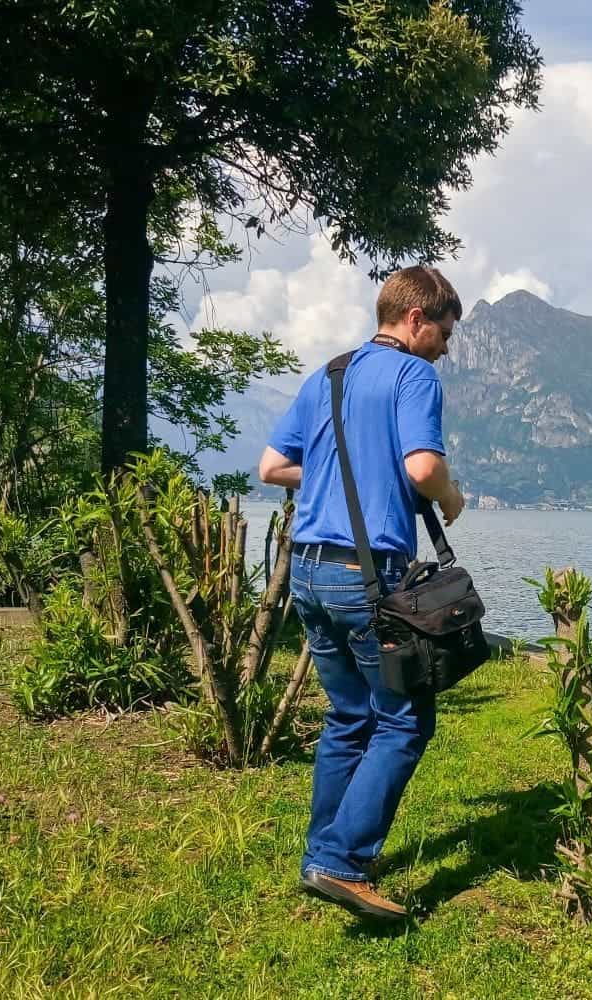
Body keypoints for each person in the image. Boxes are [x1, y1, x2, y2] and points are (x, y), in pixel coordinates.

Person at [258, 265, 466, 921]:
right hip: (365, 575)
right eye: (444, 331)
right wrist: (452, 498)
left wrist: (327, 473)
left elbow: (271, 468)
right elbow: (424, 467)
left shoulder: (330, 373)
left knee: (349, 717)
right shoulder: (412, 375)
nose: (445, 346)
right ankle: (342, 862)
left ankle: (325, 855)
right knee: (404, 721)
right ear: (414, 319)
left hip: (309, 573)